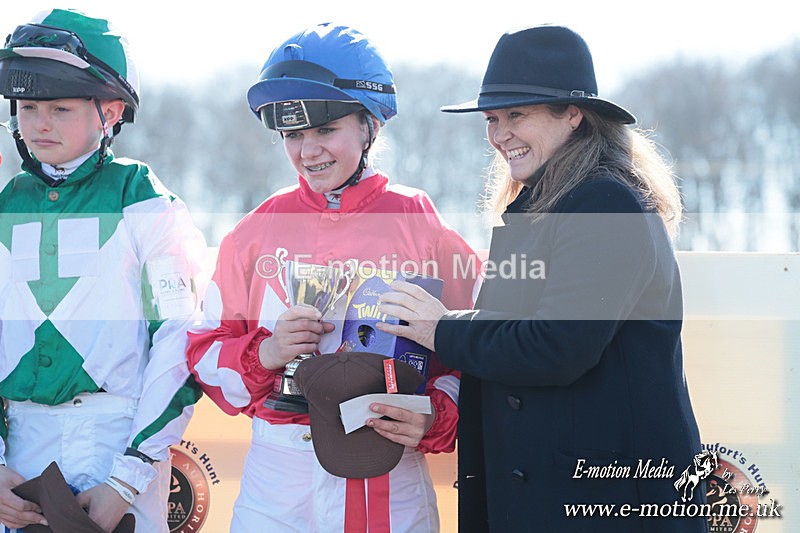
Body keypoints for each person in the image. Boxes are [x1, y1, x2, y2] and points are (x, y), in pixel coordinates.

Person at [376, 25, 707, 532]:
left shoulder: (606, 202)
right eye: (492, 119)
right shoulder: (546, 206)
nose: (498, 134)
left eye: (517, 115)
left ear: (573, 114)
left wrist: (441, 329)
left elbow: (558, 345)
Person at [186, 22, 478, 532]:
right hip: (276, 483)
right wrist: (268, 353)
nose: (308, 151)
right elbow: (204, 352)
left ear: (370, 126)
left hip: (386, 471)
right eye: (293, 135)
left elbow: (476, 351)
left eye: (325, 130)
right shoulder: (254, 230)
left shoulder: (419, 221)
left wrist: (434, 416)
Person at [0, 9, 206, 533]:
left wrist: (127, 478)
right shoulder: (6, 203)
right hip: (18, 449)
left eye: (60, 108)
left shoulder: (144, 199)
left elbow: (181, 339)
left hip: (118, 443)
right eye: (27, 107)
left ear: (110, 112)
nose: (39, 123)